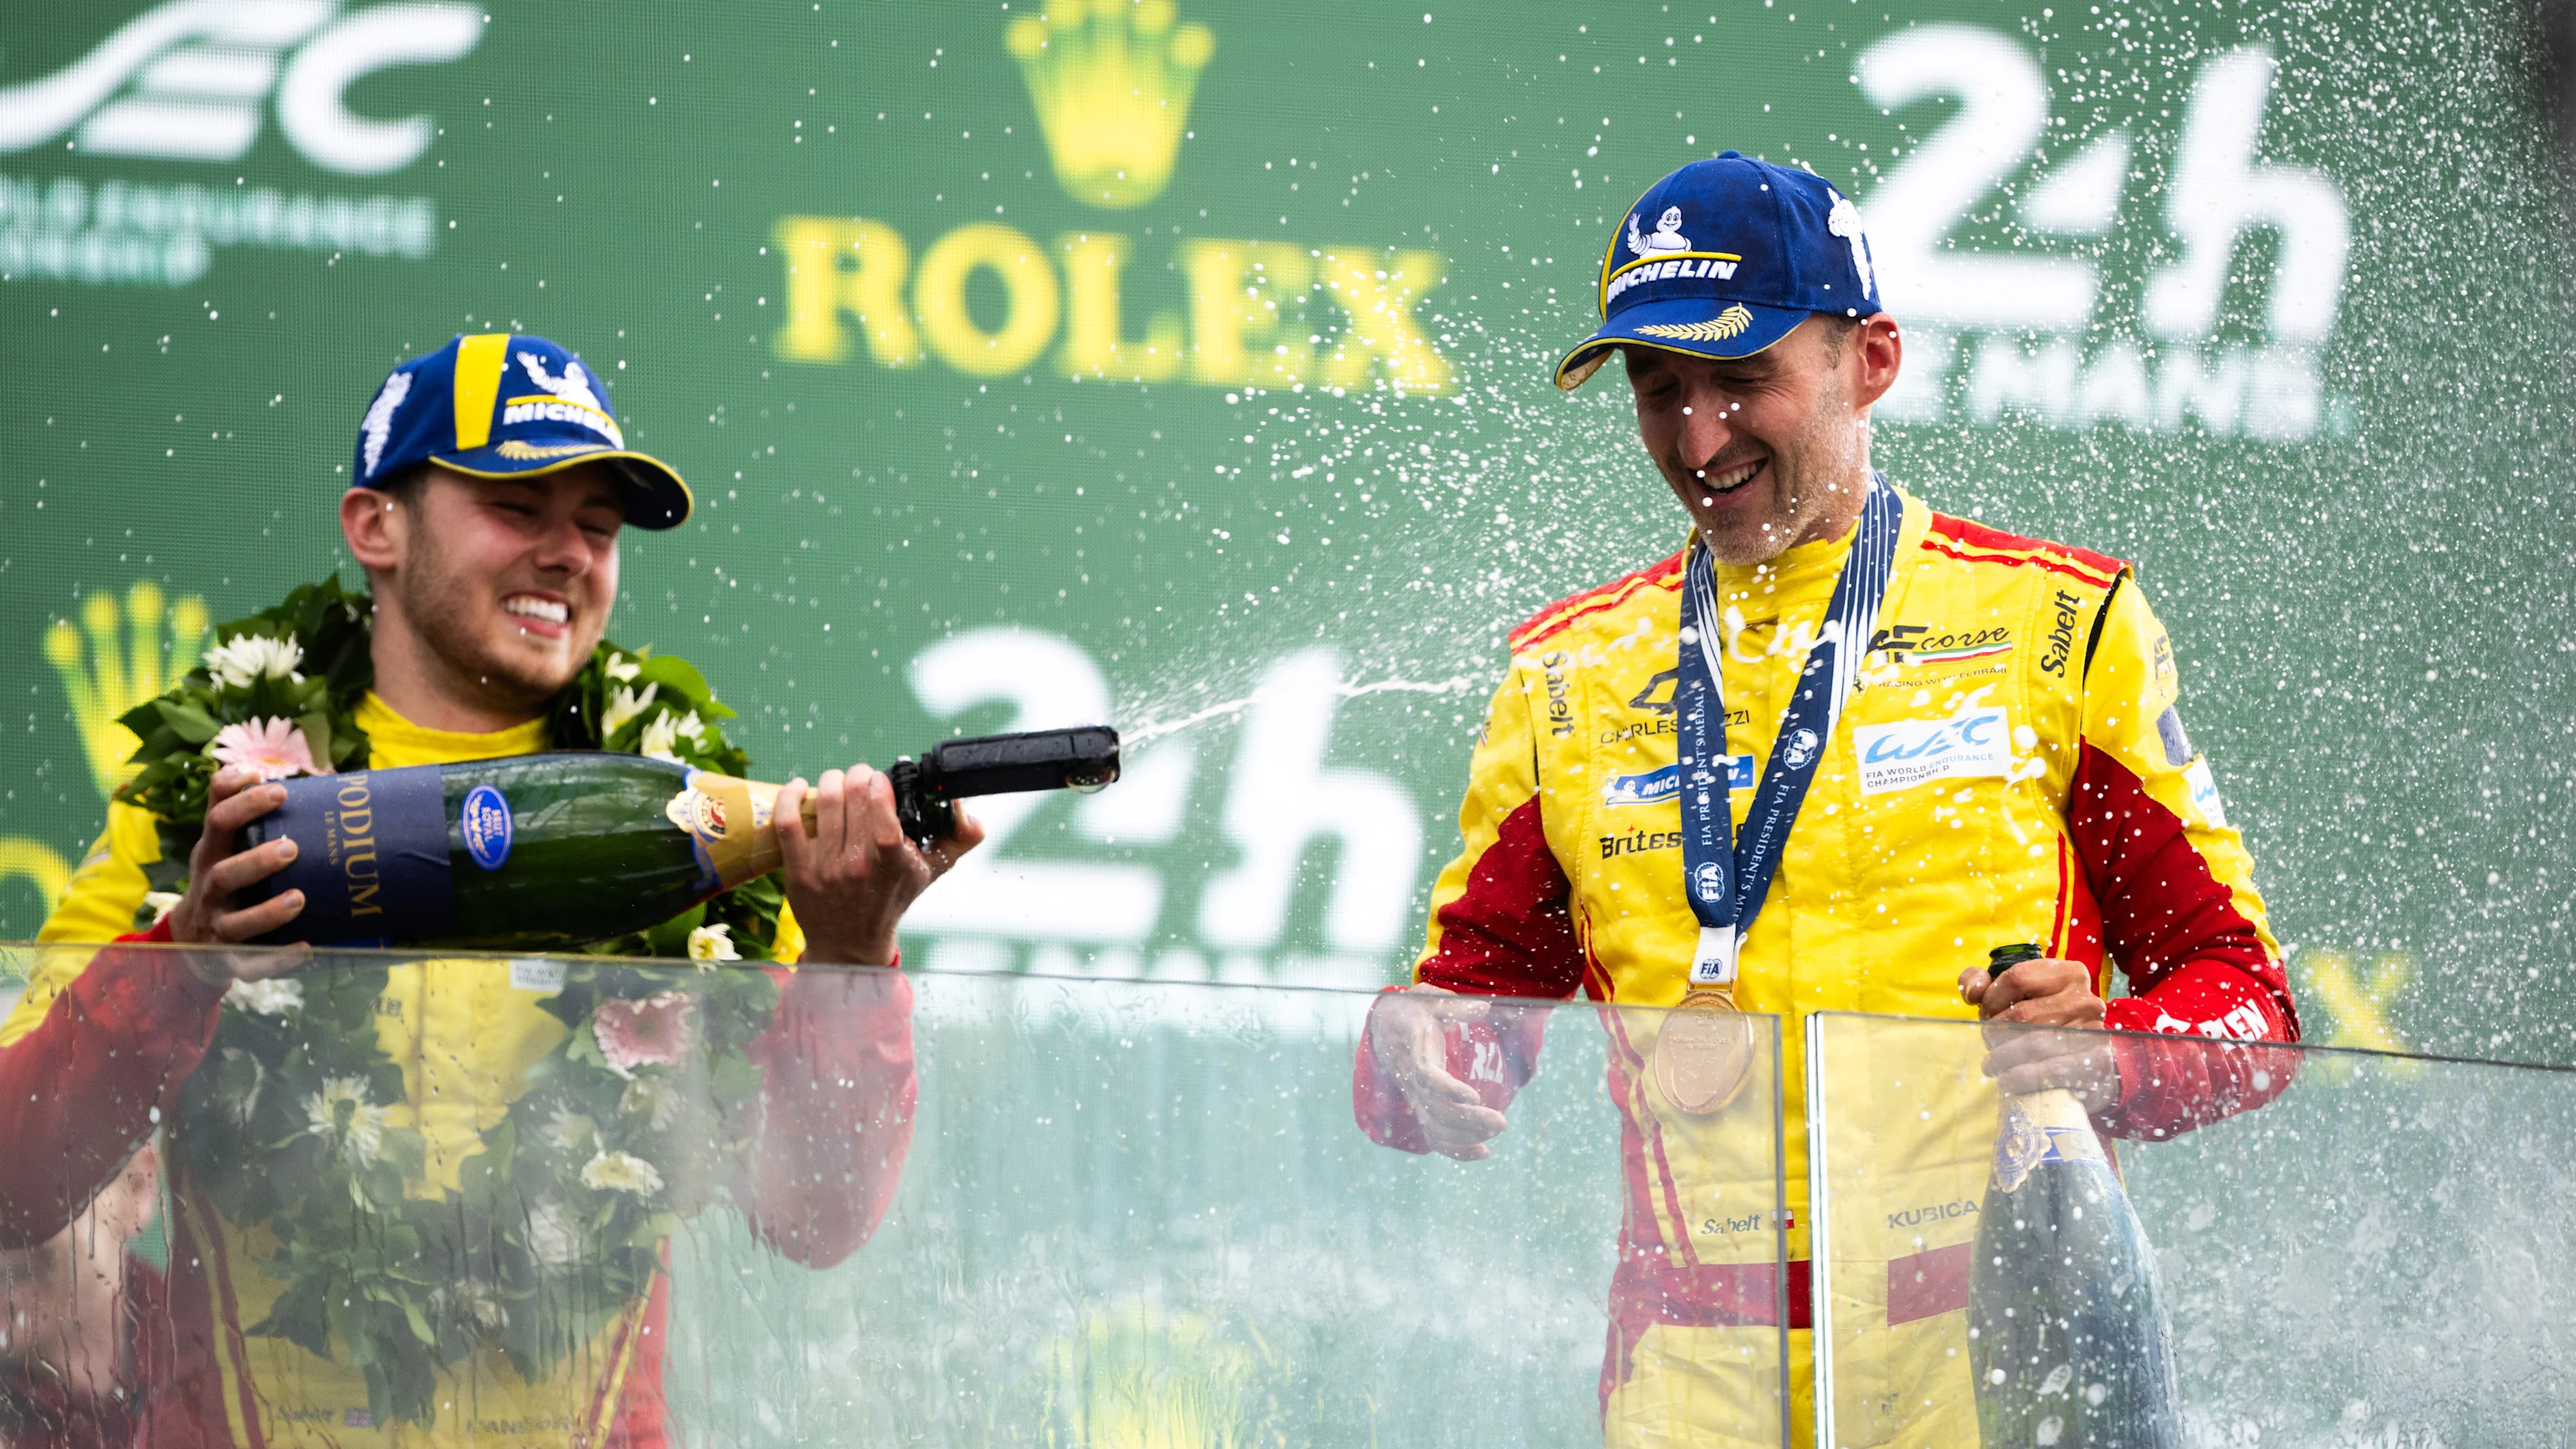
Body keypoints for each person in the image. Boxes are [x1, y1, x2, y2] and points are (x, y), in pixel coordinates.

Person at [1352, 155, 2300, 1445]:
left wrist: (2110, 1057)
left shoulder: (2057, 626)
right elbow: (1476, 1002)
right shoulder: (1564, 673)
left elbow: (2247, 1000)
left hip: (1990, 1358)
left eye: (1744, 381)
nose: (1699, 440)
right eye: (1659, 391)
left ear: (1873, 360)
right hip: (1690, 1378)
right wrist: (1416, 1054)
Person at [0, 332, 980, 1446]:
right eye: (521, 508)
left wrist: (852, 963)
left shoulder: (701, 831)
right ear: (377, 525)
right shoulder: (213, 812)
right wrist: (191, 955)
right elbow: (15, 1183)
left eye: (599, 529)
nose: (570, 554)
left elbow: (815, 1219)